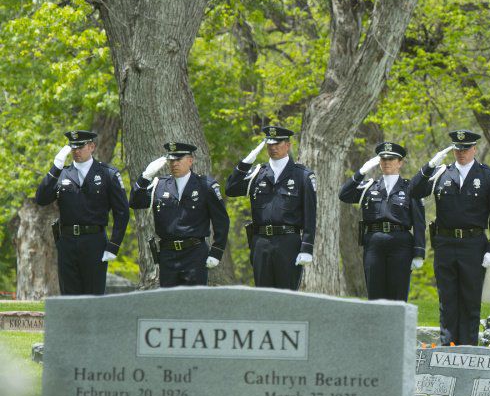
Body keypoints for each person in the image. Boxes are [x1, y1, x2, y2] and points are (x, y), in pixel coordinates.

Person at [409, 130, 490, 346]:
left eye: (465, 148)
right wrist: (428, 167)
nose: (461, 153)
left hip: (473, 245)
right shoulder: (441, 173)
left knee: (470, 300)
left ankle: (468, 348)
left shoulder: (488, 176)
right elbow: (413, 191)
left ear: (475, 149)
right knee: (447, 301)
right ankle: (448, 348)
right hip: (445, 244)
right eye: (457, 148)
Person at [35, 130, 130, 295]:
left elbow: (122, 212)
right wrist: (56, 166)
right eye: (73, 147)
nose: (76, 151)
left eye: (80, 147)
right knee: (69, 298)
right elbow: (41, 198)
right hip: (67, 242)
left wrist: (113, 245)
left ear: (92, 146)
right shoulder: (62, 173)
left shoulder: (108, 174)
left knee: (93, 298)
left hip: (94, 242)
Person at [225, 126, 317, 290]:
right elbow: (231, 189)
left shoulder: (302, 175)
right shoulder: (257, 173)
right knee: (263, 296)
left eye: (278, 143)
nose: (273, 148)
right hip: (260, 242)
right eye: (270, 144)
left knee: (286, 296)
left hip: (288, 243)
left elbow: (311, 215)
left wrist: (307, 247)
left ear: (287, 145)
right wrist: (247, 161)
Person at [129, 142, 229, 287]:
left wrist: (217, 251)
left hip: (194, 253)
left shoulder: (205, 185)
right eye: (171, 160)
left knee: (194, 301)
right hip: (167, 255)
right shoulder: (160, 185)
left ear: (190, 160)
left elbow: (222, 221)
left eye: (178, 159)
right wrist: (145, 177)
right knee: (170, 303)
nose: (174, 163)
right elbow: (135, 202)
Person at [338, 142, 426, 301]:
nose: (386, 162)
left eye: (391, 159)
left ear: (400, 163)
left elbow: (419, 222)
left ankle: (397, 326)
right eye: (383, 159)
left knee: (398, 294)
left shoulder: (410, 187)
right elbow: (344, 195)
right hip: (374, 243)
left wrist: (419, 252)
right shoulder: (369, 187)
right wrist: (360, 172)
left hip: (400, 243)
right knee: (375, 293)